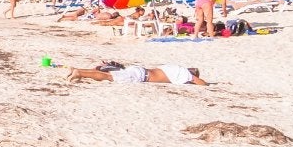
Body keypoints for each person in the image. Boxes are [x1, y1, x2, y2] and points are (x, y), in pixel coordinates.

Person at [64, 64, 209, 86]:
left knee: (109, 74)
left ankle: (76, 69)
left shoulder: (174, 67)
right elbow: (201, 83)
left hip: (141, 71)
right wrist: (207, 83)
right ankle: (79, 72)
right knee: (109, 77)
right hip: (141, 77)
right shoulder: (184, 73)